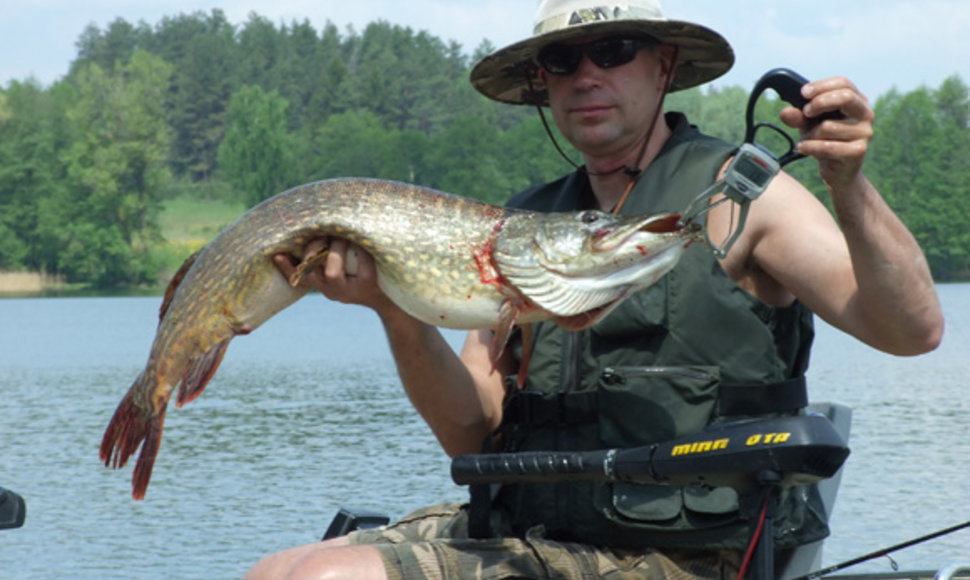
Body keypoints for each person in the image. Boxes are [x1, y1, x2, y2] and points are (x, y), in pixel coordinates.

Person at [245, 0, 944, 578]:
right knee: (277, 571)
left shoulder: (744, 196)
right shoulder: (524, 224)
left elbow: (912, 330)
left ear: (663, 64)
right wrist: (397, 312)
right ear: (543, 84)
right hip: (531, 525)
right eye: (563, 60)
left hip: (682, 556)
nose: (586, 76)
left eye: (615, 51)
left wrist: (848, 184)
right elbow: (470, 428)